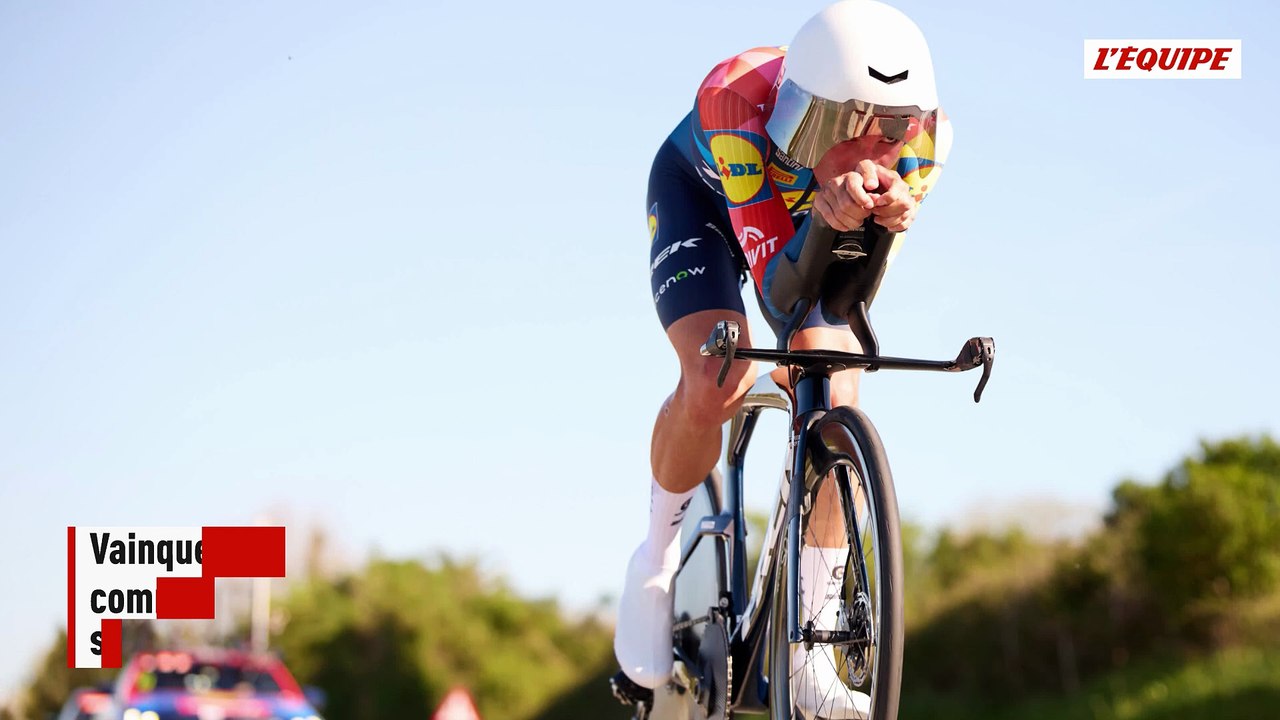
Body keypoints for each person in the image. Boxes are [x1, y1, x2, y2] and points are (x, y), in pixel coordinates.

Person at [615, 0, 952, 716]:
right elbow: (778, 298)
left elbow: (841, 305)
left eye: (889, 136)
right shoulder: (735, 99)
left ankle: (816, 650)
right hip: (706, 204)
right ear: (814, 117)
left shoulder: (928, 144)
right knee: (718, 376)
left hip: (810, 222)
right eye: (844, 130)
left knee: (836, 387)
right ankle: (655, 562)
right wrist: (828, 222)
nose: (872, 154)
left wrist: (882, 231)